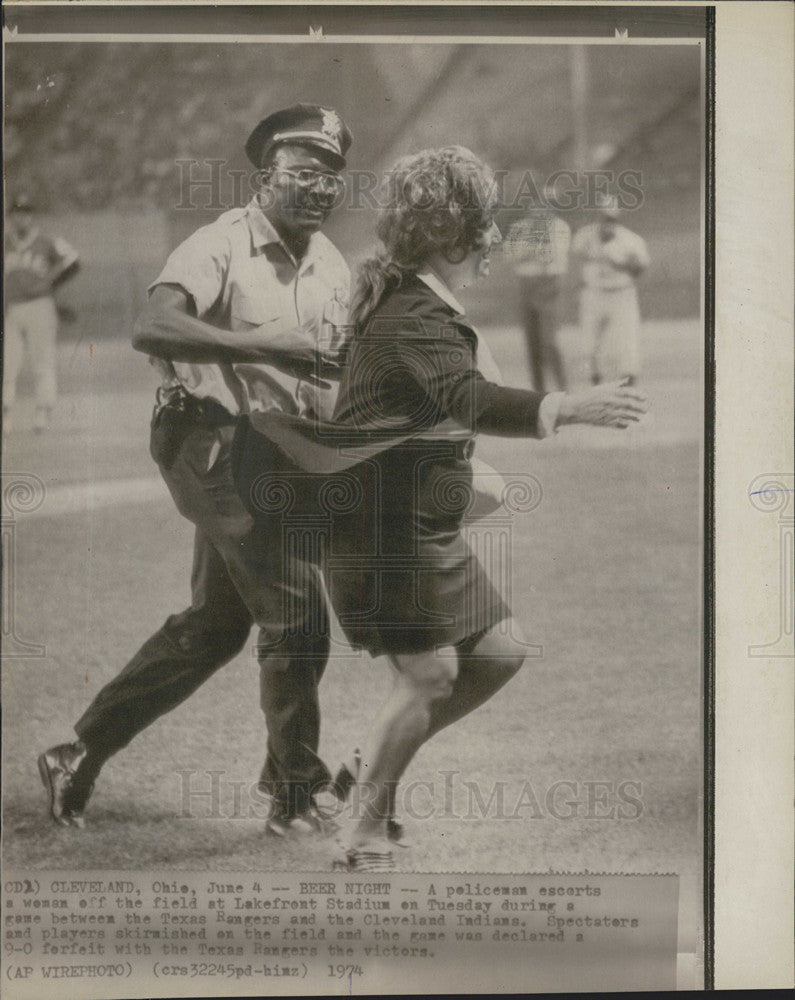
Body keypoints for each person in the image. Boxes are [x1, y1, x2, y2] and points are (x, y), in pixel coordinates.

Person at [232, 146, 648, 871]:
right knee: (427, 676)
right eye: (484, 231)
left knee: (498, 653)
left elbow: (450, 402)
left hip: (413, 523)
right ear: (449, 240)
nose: (493, 247)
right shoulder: (412, 316)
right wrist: (571, 404)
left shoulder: (420, 307)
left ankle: (364, 776)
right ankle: (358, 828)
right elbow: (473, 401)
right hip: (381, 528)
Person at [38, 104, 353, 838]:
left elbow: (325, 367)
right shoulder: (219, 244)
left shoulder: (331, 262)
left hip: (272, 448)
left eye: (331, 177)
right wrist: (259, 348)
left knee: (214, 628)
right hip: (204, 438)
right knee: (294, 608)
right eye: (302, 172)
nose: (318, 187)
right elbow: (151, 325)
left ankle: (76, 753)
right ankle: (296, 793)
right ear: (265, 175)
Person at [3, 192, 80, 434]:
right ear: (11, 217)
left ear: (32, 217)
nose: (21, 218)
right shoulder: (5, 242)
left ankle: (42, 412)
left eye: (25, 213)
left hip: (40, 306)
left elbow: (73, 260)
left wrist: (50, 284)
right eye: (17, 213)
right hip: (12, 308)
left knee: (42, 361)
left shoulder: (46, 242)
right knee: (8, 362)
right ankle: (5, 414)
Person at [571, 192, 650, 386]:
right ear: (595, 216)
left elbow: (640, 269)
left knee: (627, 340)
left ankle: (628, 385)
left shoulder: (630, 240)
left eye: (610, 218)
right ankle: (594, 382)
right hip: (594, 293)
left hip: (621, 293)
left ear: (617, 218)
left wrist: (621, 263)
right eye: (602, 217)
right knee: (588, 343)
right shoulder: (584, 236)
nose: (606, 223)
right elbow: (576, 260)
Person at [503, 187, 570, 392]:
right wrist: (532, 249)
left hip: (548, 285)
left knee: (549, 341)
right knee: (532, 343)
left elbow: (551, 257)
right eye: (538, 204)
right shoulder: (519, 228)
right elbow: (511, 256)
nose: (541, 210)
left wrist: (529, 250)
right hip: (526, 285)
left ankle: (562, 387)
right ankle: (538, 390)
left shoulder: (559, 227)